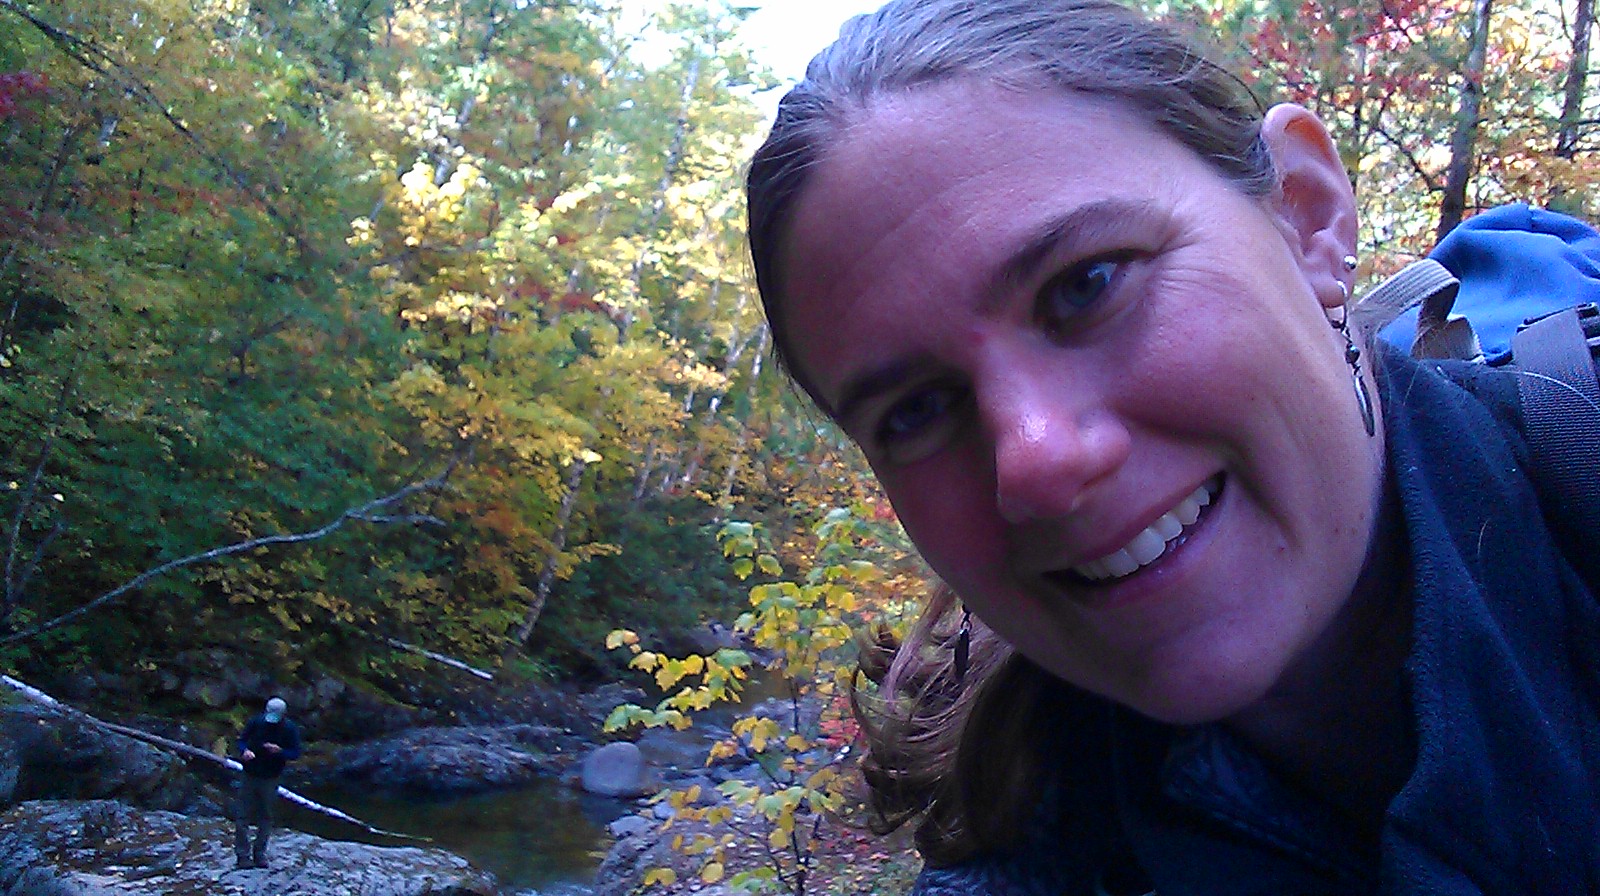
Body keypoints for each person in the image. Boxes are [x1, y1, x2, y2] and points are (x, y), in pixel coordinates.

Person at [743, 1, 1600, 893]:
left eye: (1086, 284)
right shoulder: (1022, 851)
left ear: (1306, 214)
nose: (1036, 461)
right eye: (916, 411)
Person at [234, 696, 301, 870]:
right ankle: (242, 855)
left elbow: (295, 753)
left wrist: (280, 752)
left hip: (271, 778)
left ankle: (260, 854)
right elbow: (241, 741)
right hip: (249, 774)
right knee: (242, 816)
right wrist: (245, 751)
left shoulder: (289, 729)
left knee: (265, 816)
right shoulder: (256, 722)